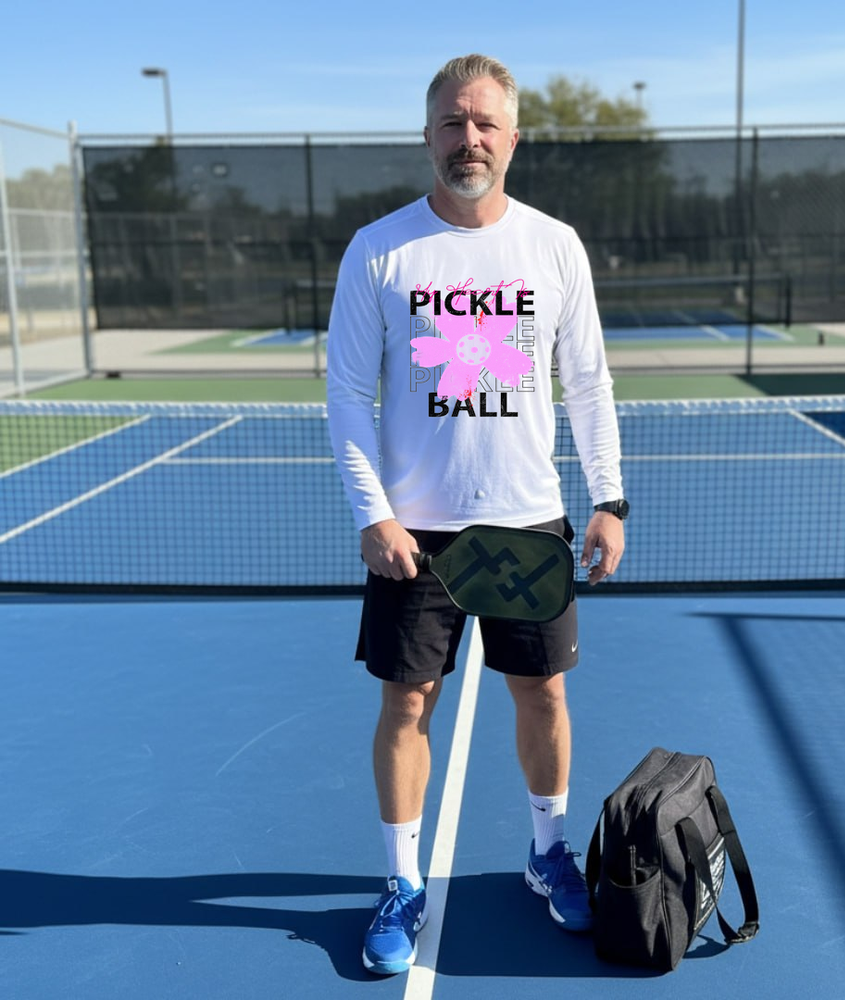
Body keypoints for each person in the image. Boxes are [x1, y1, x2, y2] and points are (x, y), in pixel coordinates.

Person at [326, 53, 627, 977]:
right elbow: (344, 393)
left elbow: (588, 382)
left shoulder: (554, 246)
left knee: (543, 693)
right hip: (416, 534)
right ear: (428, 136)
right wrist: (375, 515)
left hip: (527, 524)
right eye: (454, 124)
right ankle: (402, 882)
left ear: (513, 137)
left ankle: (547, 855)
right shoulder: (380, 250)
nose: (470, 140)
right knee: (406, 700)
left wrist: (608, 497)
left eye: (486, 124)